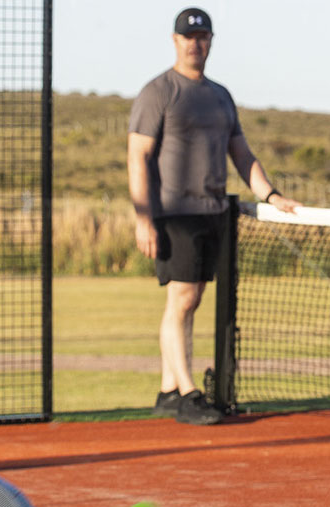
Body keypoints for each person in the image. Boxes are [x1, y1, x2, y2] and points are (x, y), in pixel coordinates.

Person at [127, 7, 301, 424]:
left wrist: (271, 194)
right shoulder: (159, 91)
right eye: (188, 37)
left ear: (210, 41)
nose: (195, 44)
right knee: (182, 299)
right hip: (175, 214)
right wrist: (143, 217)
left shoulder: (220, 95)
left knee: (190, 300)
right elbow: (137, 157)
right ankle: (188, 393)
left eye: (202, 37)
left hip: (213, 213)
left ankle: (169, 388)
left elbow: (241, 153)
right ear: (175, 41)